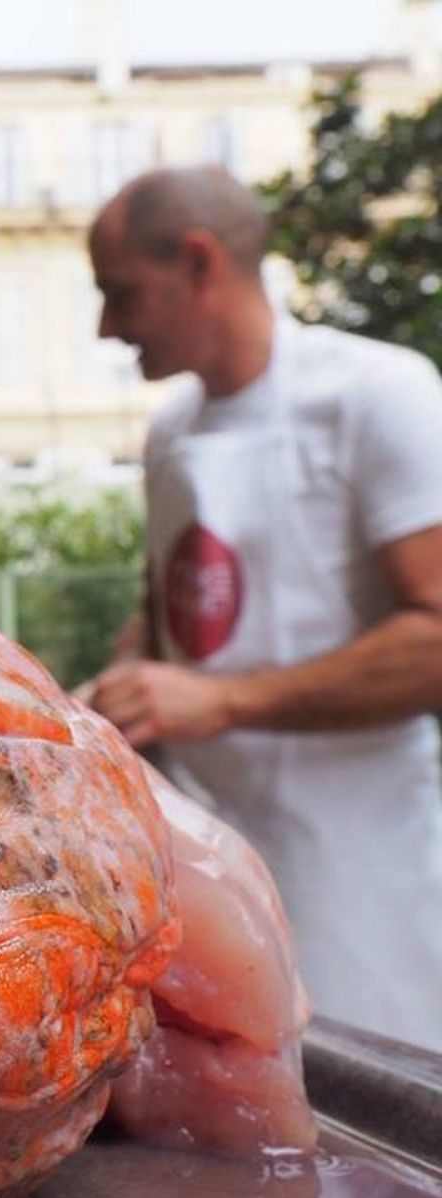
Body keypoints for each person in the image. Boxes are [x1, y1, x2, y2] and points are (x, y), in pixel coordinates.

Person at [84, 165, 442, 1052]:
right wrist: (108, 699)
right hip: (208, 854)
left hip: (360, 862)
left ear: (200, 262)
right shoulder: (171, 431)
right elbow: (165, 619)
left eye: (121, 293)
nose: (107, 327)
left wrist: (224, 700)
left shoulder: (379, 394)